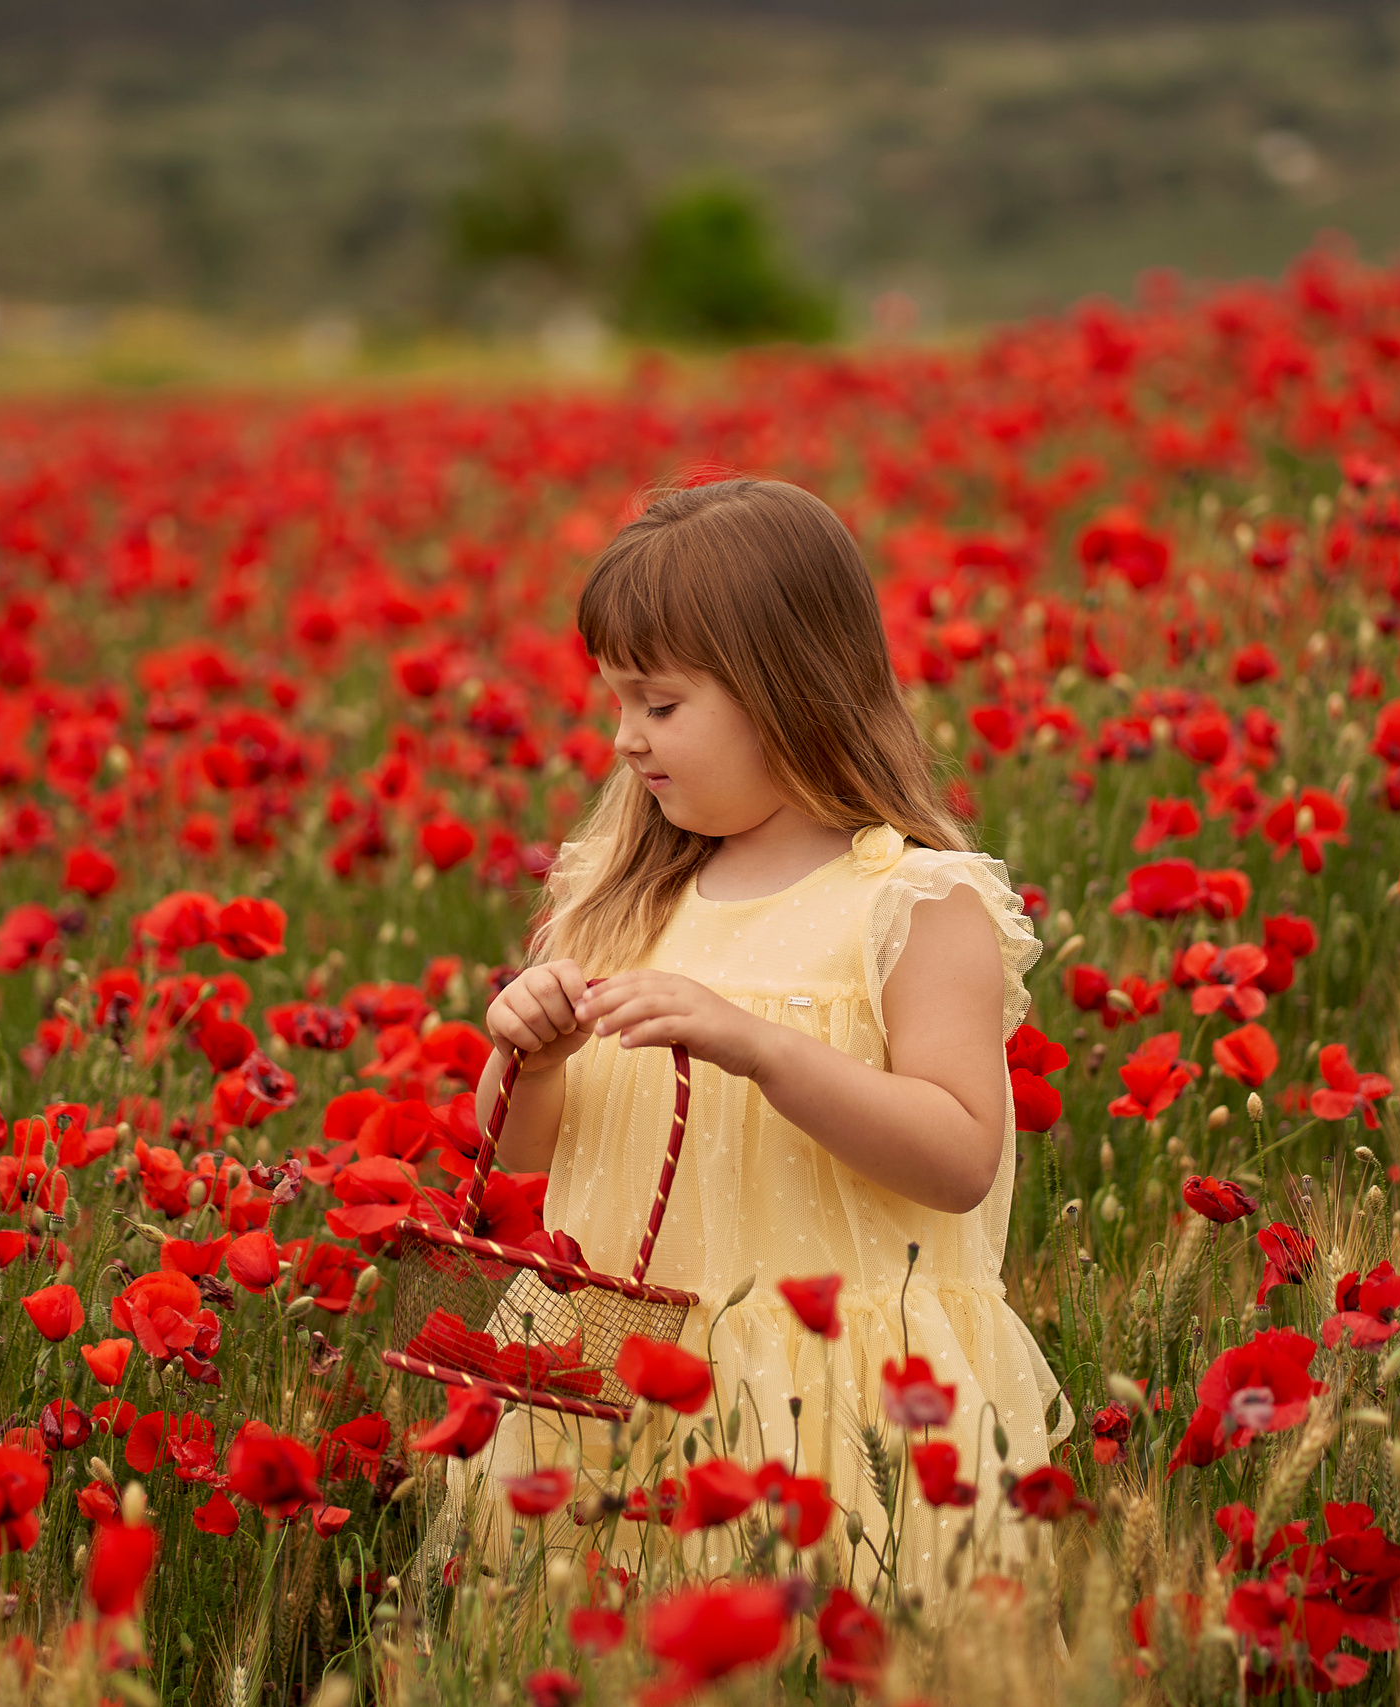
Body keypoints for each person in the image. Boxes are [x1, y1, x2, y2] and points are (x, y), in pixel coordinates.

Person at [429, 476, 1066, 1609]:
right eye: (616, 702)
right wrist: (529, 1052)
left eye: (659, 704)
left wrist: (762, 1049)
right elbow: (519, 1151)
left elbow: (959, 1153)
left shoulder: (911, 903)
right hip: (613, 1376)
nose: (624, 738)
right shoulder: (618, 895)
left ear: (786, 690)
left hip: (832, 1402)